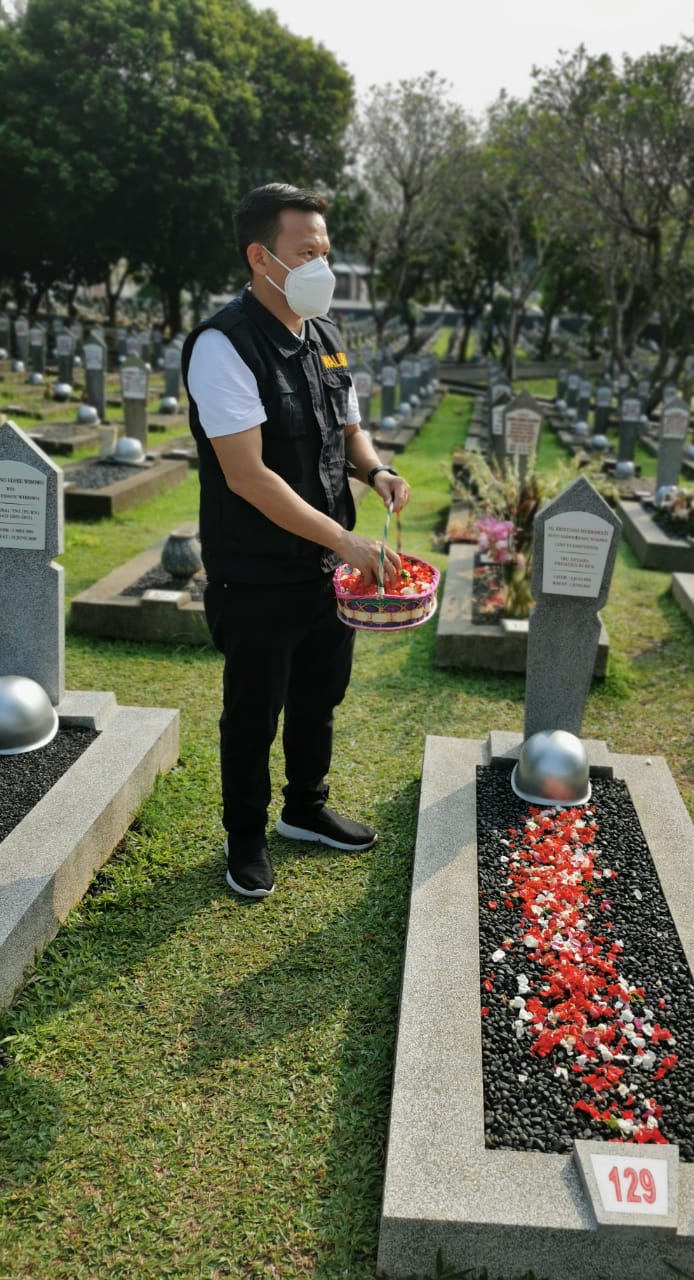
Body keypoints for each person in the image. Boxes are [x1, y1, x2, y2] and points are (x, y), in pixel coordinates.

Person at [182, 183, 410, 899]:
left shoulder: (326, 337)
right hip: (256, 570)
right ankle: (245, 837)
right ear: (261, 257)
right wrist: (346, 540)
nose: (323, 266)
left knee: (319, 693)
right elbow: (248, 476)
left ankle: (305, 809)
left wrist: (376, 471)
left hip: (325, 567)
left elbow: (349, 430)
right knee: (254, 711)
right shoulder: (224, 345)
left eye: (326, 251)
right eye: (306, 252)